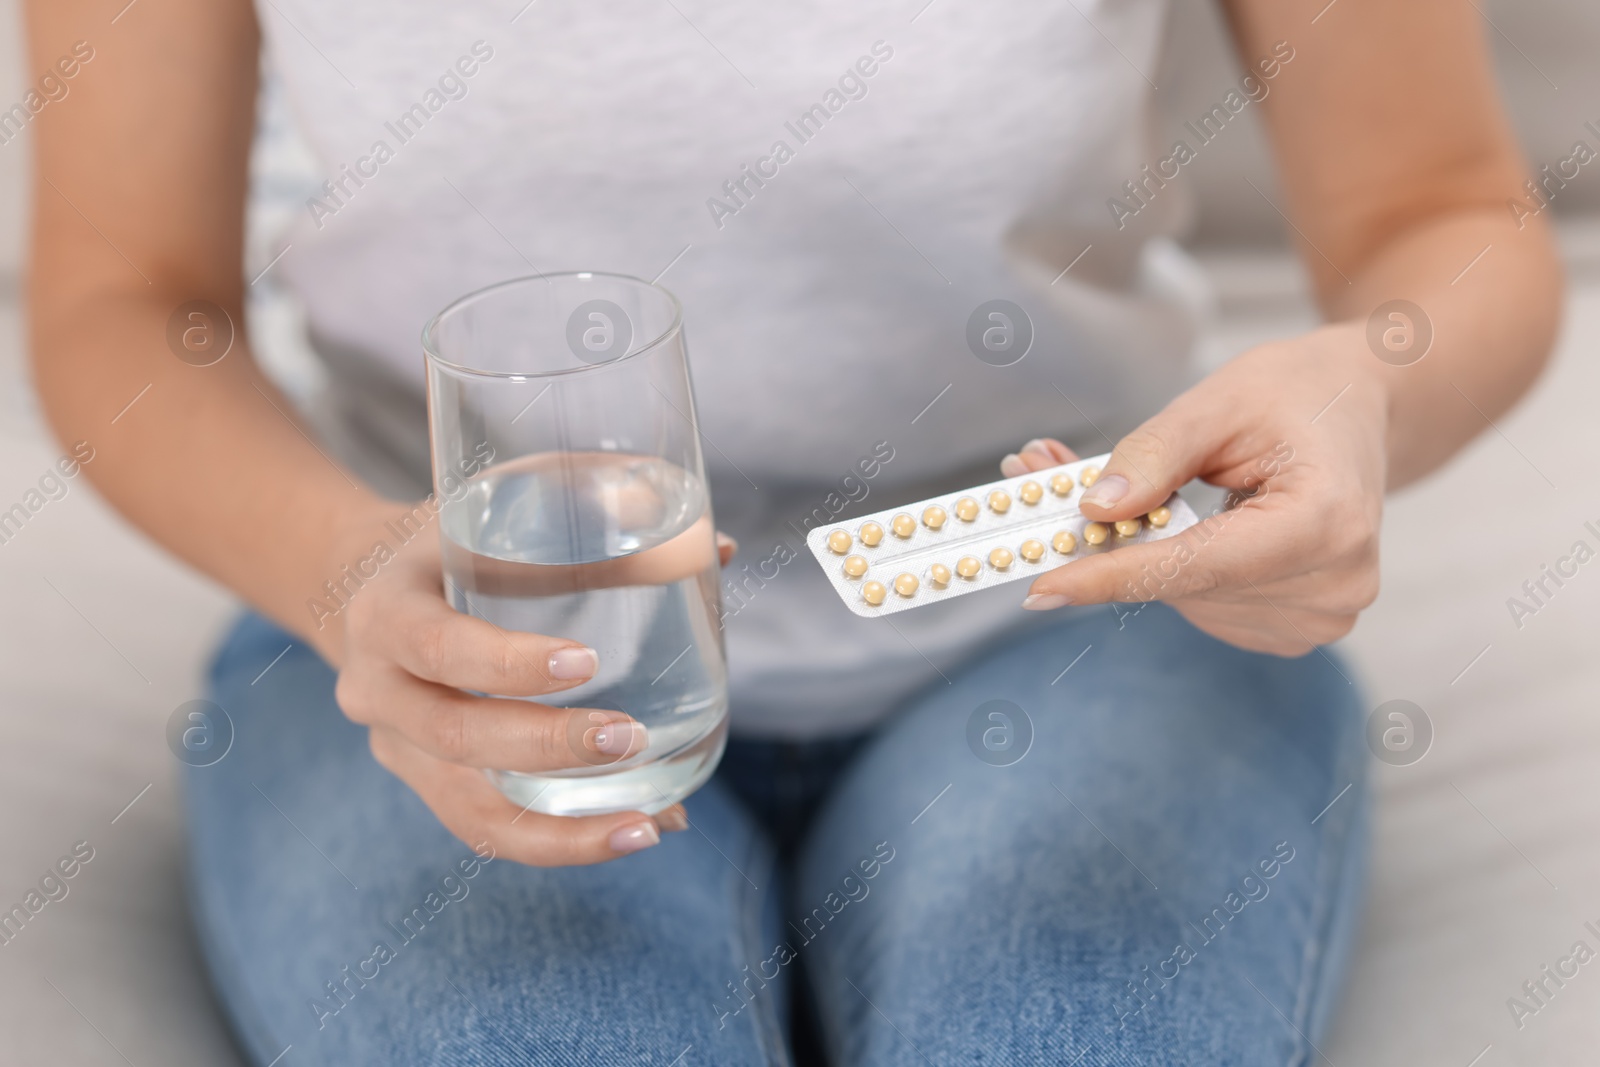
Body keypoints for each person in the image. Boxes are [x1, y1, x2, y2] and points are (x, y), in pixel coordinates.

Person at [25, 0, 1559, 1063]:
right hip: (444, 644)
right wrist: (350, 578)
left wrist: (1369, 384)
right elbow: (120, 292)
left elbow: (1440, 210)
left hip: (1077, 604)